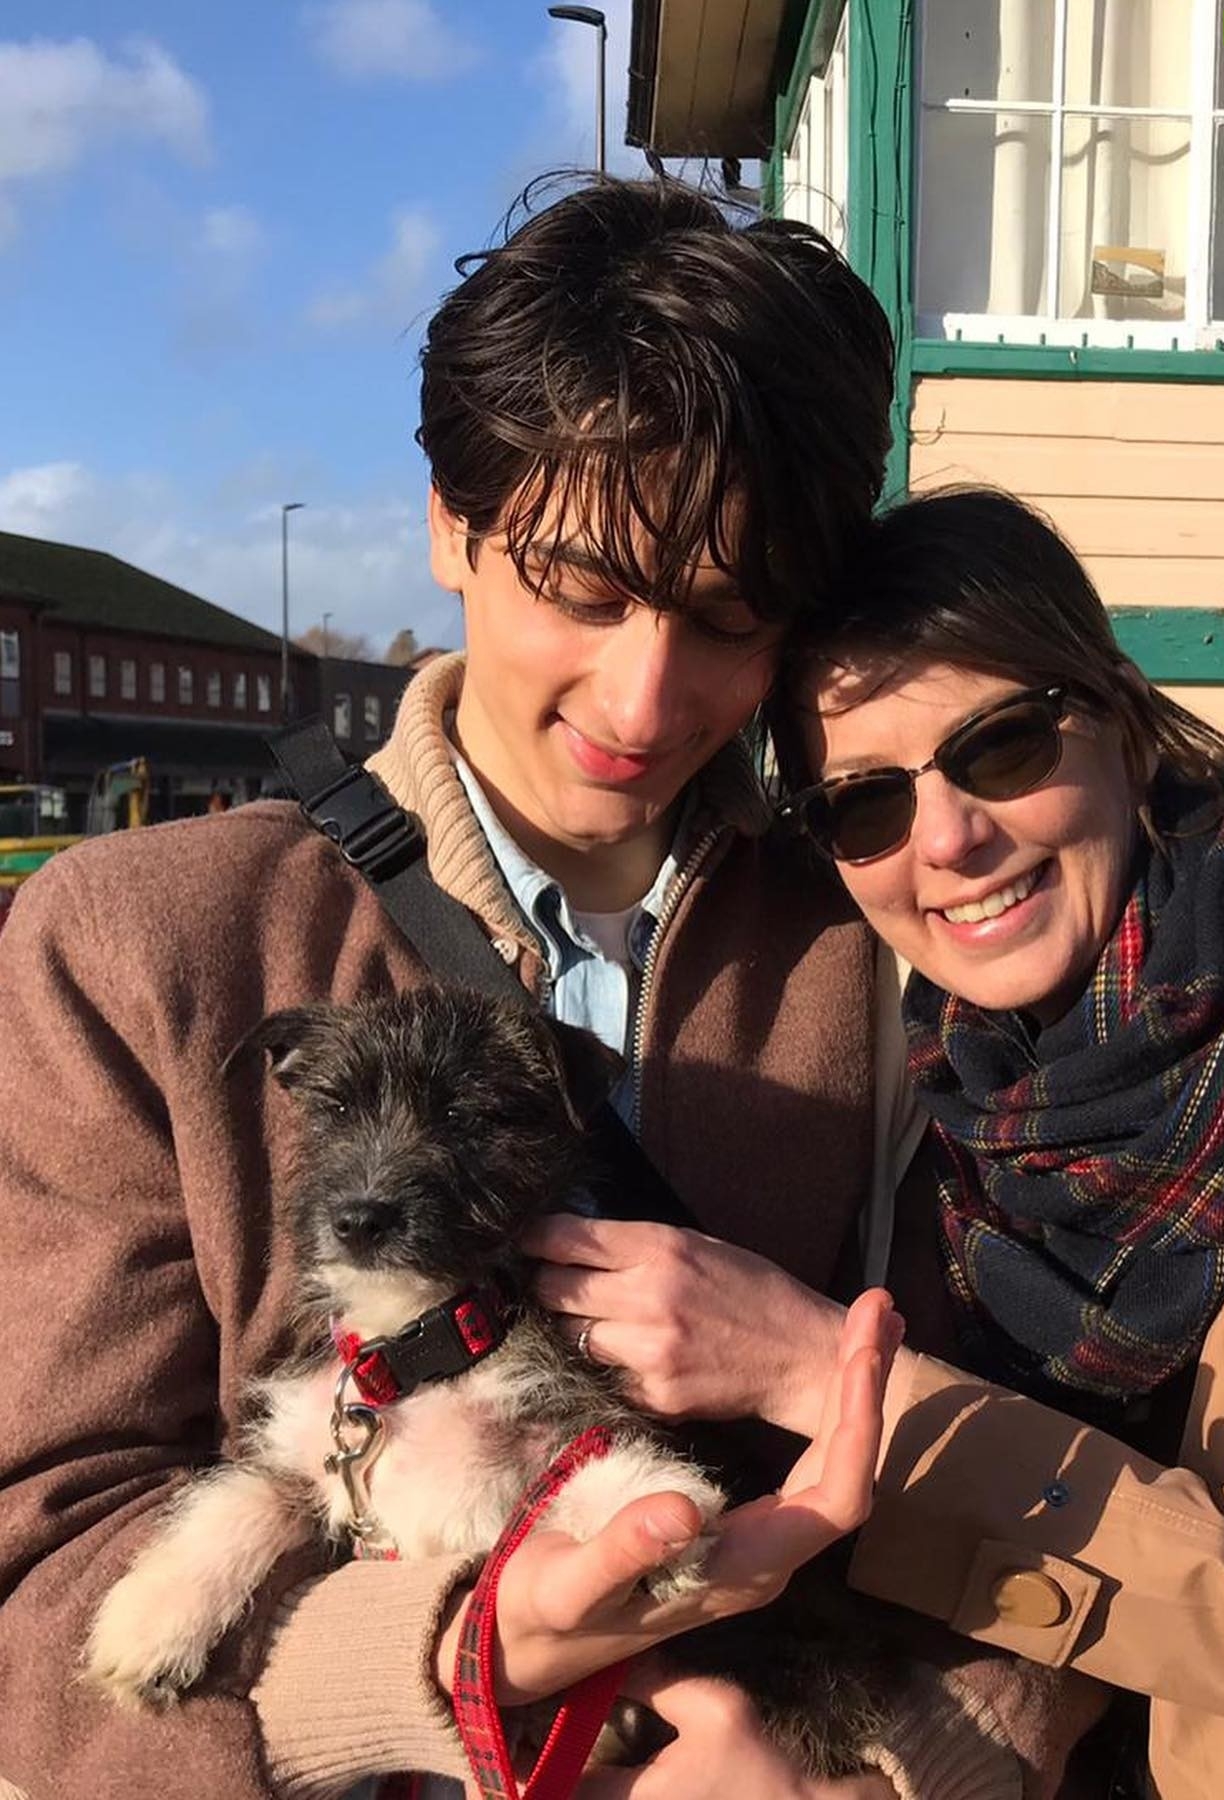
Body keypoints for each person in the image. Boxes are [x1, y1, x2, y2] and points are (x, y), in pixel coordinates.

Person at [0, 184, 1035, 1800]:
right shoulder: (142, 950)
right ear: (449, 525)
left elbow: (1055, 1454)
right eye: (581, 586)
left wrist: (908, 1771)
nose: (644, 694)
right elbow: (42, 1572)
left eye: (728, 616)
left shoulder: (902, 930)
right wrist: (449, 1671)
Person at [533, 484, 1224, 1800]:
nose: (949, 840)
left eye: (1003, 746)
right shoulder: (959, 1077)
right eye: (865, 806)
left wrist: (821, 1372)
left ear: (1120, 720)